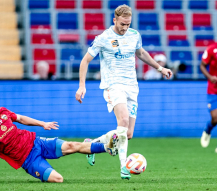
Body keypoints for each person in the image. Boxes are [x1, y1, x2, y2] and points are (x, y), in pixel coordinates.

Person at [75, 4, 173, 180]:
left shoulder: (134, 35)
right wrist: (82, 85)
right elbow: (85, 61)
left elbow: (141, 53)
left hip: (132, 87)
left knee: (127, 134)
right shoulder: (103, 38)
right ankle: (124, 167)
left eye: (128, 24)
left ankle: (92, 145)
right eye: (122, 24)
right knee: (123, 120)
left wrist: (160, 68)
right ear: (115, 20)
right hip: (113, 85)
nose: (125, 28)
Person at [0, 95, 118, 183]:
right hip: (28, 160)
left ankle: (108, 147)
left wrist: (43, 123)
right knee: (58, 179)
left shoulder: (3, 112)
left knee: (71, 145)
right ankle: (89, 146)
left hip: (36, 142)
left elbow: (21, 119)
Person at [200, 42, 217, 153]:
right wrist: (210, 77)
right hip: (214, 90)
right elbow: (202, 65)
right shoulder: (212, 48)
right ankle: (208, 129)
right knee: (216, 117)